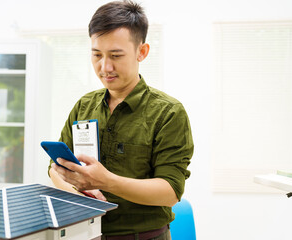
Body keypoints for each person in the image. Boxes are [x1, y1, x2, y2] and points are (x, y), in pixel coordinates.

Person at [48, 1, 194, 239]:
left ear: (142, 52)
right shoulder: (84, 106)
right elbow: (55, 169)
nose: (105, 67)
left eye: (115, 55)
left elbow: (170, 191)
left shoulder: (168, 113)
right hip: (86, 234)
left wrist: (106, 182)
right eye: (97, 55)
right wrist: (78, 191)